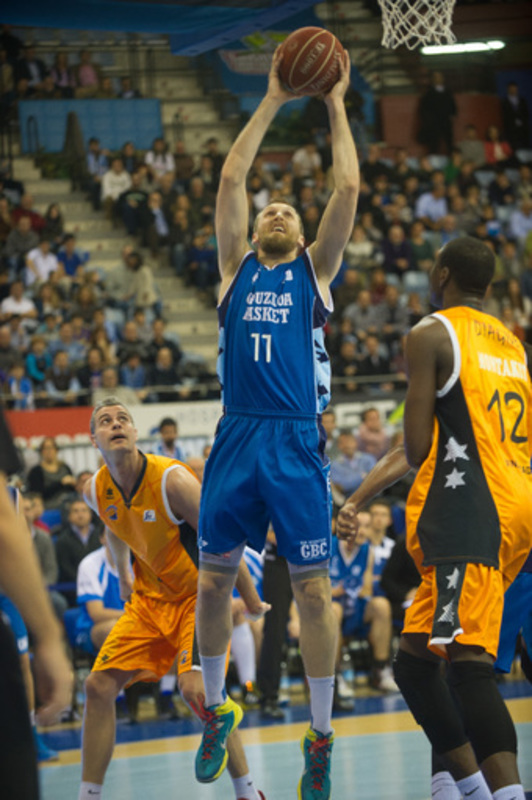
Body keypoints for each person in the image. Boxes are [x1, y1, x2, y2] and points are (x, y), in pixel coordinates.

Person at [194, 44, 358, 800]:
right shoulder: (235, 270)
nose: (279, 209)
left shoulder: (314, 274)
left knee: (316, 592)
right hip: (237, 432)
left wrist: (330, 102)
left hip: (294, 436)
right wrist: (271, 97)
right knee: (213, 581)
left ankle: (319, 736)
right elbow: (231, 178)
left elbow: (347, 185)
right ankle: (216, 707)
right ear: (254, 229)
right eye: (271, 208)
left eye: (288, 207)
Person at [338, 236, 532, 800]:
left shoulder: (429, 333)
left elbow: (418, 445)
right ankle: (466, 785)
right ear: (488, 286)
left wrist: (355, 496)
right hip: (513, 505)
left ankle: (507, 795)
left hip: (471, 510)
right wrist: (356, 501)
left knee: (468, 664)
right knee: (416, 663)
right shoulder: (511, 346)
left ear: (441, 274)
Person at [78, 397, 267, 800]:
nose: (116, 424)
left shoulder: (172, 481)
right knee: (97, 687)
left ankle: (248, 792)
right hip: (149, 601)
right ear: (94, 440)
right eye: (106, 421)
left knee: (197, 692)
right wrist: (125, 574)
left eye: (123, 419)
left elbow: (225, 544)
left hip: (196, 600)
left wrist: (249, 599)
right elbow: (113, 525)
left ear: (134, 432)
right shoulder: (95, 489)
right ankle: (88, 795)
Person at [0, 408, 72, 800]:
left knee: (23, 663)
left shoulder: (14, 496)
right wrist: (50, 639)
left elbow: (21, 543)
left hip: (5, 592)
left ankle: (31, 730)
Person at [417, 71, 456, 155]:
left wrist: (453, 114)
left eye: (439, 77)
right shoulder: (428, 93)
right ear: (432, 80)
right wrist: (430, 120)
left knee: (449, 143)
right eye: (435, 77)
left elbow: (452, 105)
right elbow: (424, 109)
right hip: (434, 124)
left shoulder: (448, 91)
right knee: (433, 145)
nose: (438, 79)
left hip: (446, 122)